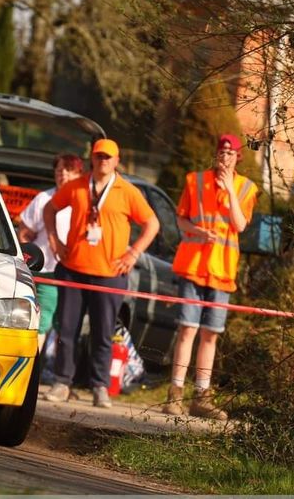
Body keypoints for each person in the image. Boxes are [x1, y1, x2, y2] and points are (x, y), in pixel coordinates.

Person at [42, 139, 160, 408]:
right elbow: (50, 208)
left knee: (103, 333)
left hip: (109, 273)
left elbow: (152, 223)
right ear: (92, 159)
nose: (103, 161)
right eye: (98, 156)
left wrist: (133, 253)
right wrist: (54, 240)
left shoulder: (127, 191)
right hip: (73, 269)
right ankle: (62, 382)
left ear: (117, 161)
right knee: (67, 330)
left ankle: (100, 386)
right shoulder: (76, 186)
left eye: (108, 157)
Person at [163, 134, 258, 420]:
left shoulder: (246, 188)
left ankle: (201, 396)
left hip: (222, 271)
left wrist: (229, 189)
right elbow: (181, 219)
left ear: (238, 157)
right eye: (222, 151)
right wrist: (196, 231)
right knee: (187, 329)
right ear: (216, 154)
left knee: (210, 335)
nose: (225, 156)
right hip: (194, 265)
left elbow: (239, 225)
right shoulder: (195, 181)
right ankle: (175, 394)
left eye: (230, 152)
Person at [17, 153, 84, 349]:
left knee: (64, 325)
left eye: (68, 170)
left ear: (79, 174)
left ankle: (51, 369)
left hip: (73, 273)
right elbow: (24, 232)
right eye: (59, 170)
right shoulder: (43, 198)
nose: (63, 174)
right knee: (41, 322)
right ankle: (32, 368)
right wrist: (27, 259)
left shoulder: (84, 202)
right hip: (44, 271)